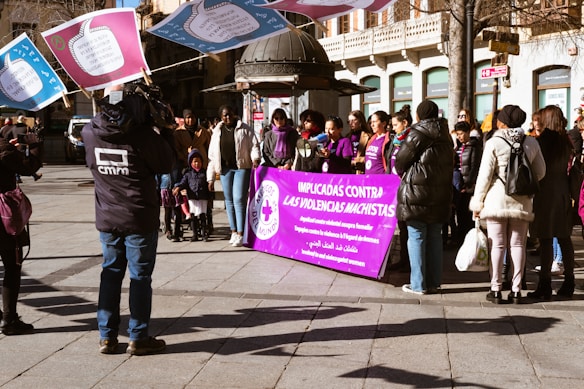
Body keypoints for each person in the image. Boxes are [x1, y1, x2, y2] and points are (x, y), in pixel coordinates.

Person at [82, 83, 175, 355]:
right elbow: (167, 163)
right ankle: (138, 336)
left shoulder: (90, 131)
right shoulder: (143, 136)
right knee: (140, 277)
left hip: (108, 215)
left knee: (110, 273)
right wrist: (167, 128)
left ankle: (107, 336)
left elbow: (91, 165)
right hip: (139, 216)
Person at [470, 105, 546, 304]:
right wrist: (523, 182)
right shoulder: (531, 142)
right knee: (518, 244)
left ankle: (495, 289)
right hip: (521, 201)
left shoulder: (495, 142)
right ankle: (516, 290)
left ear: (502, 122)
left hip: (496, 198)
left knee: (497, 244)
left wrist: (477, 203)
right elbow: (541, 171)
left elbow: (484, 176)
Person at [395, 99, 454, 295]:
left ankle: (418, 284)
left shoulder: (418, 133)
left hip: (417, 192)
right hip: (439, 192)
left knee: (416, 235)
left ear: (419, 115)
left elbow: (401, 159)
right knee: (435, 236)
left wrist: (401, 170)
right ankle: (434, 281)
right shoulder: (446, 135)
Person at [528, 105, 576, 300]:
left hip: (545, 193)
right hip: (563, 193)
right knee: (564, 238)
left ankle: (545, 284)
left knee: (546, 239)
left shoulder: (542, 142)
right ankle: (569, 281)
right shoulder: (566, 142)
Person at [0, 135, 42, 335]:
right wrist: (33, 144)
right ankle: (9, 319)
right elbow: (29, 166)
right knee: (12, 266)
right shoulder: (3, 148)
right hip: (3, 218)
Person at [207, 105, 260, 247]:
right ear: (221, 117)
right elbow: (212, 156)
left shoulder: (245, 129)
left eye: (230, 114)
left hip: (241, 168)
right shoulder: (217, 131)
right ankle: (234, 231)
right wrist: (210, 178)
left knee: (238, 199)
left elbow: (254, 145)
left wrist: (255, 158)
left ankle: (242, 233)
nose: (228, 117)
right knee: (228, 200)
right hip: (224, 169)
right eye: (224, 115)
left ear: (234, 114)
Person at [172, 109, 211, 242]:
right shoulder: (178, 132)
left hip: (202, 165)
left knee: (205, 197)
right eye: (187, 118)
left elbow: (209, 146)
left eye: (192, 117)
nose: (190, 120)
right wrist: (184, 157)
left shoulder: (203, 131)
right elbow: (176, 148)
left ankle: (206, 225)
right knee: (188, 198)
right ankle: (190, 224)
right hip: (185, 166)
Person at [384, 105, 413, 272]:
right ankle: (403, 258)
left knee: (408, 226)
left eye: (395, 125)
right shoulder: (395, 142)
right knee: (401, 226)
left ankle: (409, 260)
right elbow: (390, 163)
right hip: (394, 187)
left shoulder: (410, 140)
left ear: (405, 123)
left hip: (406, 188)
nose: (392, 129)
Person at [453, 120, 483, 244]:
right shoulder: (459, 147)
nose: (459, 137)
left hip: (468, 185)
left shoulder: (474, 146)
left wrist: (469, 183)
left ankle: (469, 240)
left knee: (467, 214)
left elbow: (475, 166)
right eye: (457, 134)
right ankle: (460, 238)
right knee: (459, 213)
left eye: (461, 134)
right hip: (458, 184)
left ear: (468, 132)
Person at [172, 149, 211, 242]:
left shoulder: (204, 173)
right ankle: (195, 234)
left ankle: (203, 233)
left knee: (202, 216)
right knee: (193, 217)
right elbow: (183, 183)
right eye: (195, 162)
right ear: (191, 163)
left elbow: (208, 183)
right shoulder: (188, 174)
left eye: (199, 161)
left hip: (202, 197)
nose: (197, 164)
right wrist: (178, 188)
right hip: (192, 198)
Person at [347, 110, 372, 174]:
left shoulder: (368, 136)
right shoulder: (347, 136)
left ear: (360, 121)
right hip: (349, 169)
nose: (351, 123)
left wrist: (359, 160)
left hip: (361, 170)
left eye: (353, 120)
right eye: (349, 121)